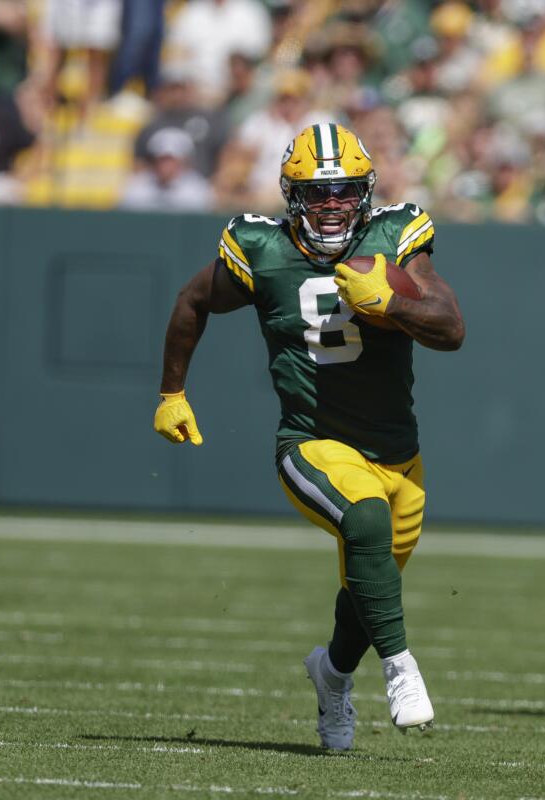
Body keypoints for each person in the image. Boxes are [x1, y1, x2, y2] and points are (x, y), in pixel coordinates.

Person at [153, 123, 464, 750]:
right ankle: (401, 670)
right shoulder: (261, 249)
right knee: (365, 524)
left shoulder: (393, 239)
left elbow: (450, 326)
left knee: (367, 580)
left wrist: (389, 304)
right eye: (318, 194)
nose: (332, 206)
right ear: (291, 196)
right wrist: (172, 392)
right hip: (311, 443)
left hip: (399, 457)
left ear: (366, 194)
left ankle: (332, 675)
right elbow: (192, 301)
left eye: (345, 193)